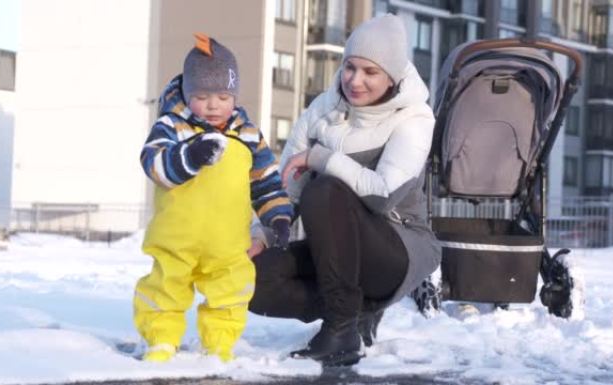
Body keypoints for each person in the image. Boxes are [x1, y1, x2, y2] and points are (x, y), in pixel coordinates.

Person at [248, 14, 441, 367]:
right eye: (350, 67)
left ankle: (341, 332)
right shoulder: (322, 108)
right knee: (249, 281)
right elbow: (287, 187)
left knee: (325, 191)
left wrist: (321, 157)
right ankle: (355, 313)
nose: (355, 80)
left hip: (397, 246)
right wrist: (261, 234)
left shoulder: (415, 117)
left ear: (392, 77)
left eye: (370, 72)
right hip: (335, 250)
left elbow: (383, 195)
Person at [134, 33, 293, 363]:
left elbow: (266, 182)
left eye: (223, 95)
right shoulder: (173, 127)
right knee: (165, 288)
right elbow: (154, 164)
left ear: (234, 95)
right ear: (187, 94)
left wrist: (277, 216)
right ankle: (161, 340)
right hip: (176, 237)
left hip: (227, 242)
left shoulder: (248, 135)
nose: (213, 105)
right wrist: (189, 157)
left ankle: (219, 344)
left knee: (231, 292)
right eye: (202, 96)